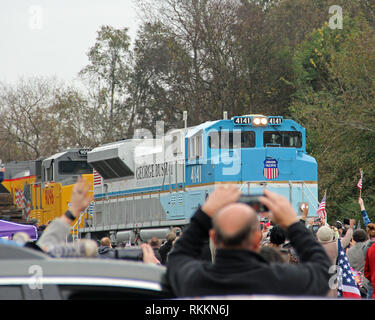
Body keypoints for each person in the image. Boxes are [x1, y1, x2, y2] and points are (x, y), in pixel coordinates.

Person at [166, 185, 331, 297]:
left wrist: (204, 214)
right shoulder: (285, 280)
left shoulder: (194, 280)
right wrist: (294, 223)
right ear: (256, 238)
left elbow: (178, 257)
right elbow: (325, 271)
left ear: (215, 238)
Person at [347, 229, 369, 297]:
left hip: (354, 282)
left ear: (353, 238)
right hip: (367, 282)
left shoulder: (349, 251)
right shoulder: (368, 249)